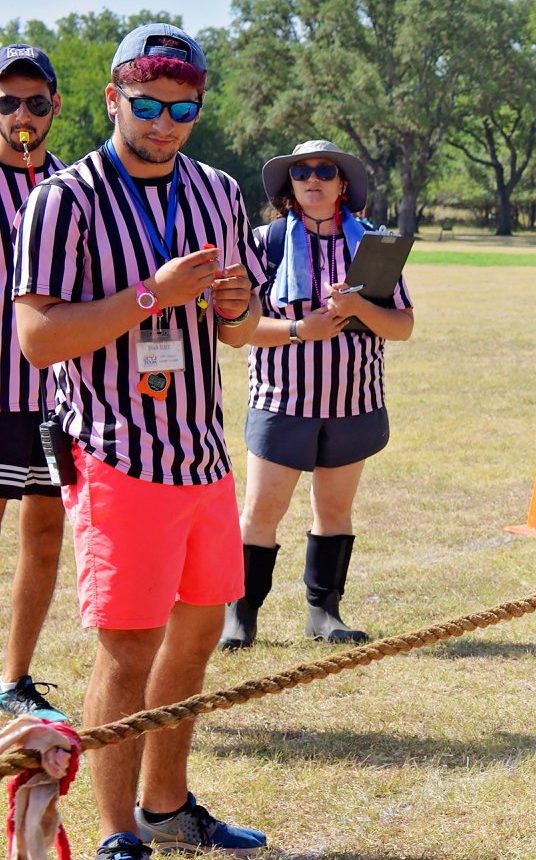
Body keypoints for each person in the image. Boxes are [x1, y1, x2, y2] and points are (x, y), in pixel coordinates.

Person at [10, 24, 268, 859]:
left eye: (182, 108)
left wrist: (232, 303)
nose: (164, 123)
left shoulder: (219, 191)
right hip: (117, 453)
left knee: (196, 640)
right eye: (148, 105)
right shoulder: (66, 198)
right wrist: (149, 298)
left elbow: (238, 332)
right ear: (113, 98)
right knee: (127, 651)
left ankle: (166, 805)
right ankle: (119, 834)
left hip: (202, 453)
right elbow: (39, 339)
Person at [218, 140, 414, 651]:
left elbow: (403, 325)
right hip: (282, 401)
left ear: (342, 183)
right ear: (289, 186)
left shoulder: (375, 243)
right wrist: (302, 329)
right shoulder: (263, 242)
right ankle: (241, 617)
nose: (313, 178)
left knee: (334, 509)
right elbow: (236, 328)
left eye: (325, 170)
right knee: (262, 509)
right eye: (301, 171)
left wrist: (358, 309)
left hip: (353, 402)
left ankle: (324, 613)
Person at [0, 44, 69, 723]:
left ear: (54, 106)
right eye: (7, 102)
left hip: (57, 397)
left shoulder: (72, 188)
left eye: (35, 102)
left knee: (45, 534)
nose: (22, 114)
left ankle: (15, 678)